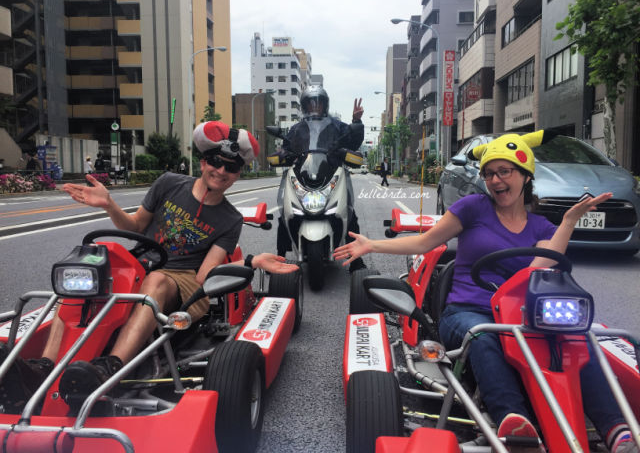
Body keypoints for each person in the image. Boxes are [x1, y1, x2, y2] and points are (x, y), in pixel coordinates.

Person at [335, 131, 636, 453]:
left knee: (573, 338)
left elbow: (542, 267)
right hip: (466, 312)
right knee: (484, 337)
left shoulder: (541, 227)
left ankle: (617, 429)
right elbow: (425, 243)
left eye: (504, 172)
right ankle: (513, 419)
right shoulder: (473, 208)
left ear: (525, 176)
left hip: (521, 316)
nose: (495, 180)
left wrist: (569, 221)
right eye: (490, 173)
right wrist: (372, 244)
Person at [0, 121, 298, 412]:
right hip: (141, 264)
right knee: (84, 275)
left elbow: (206, 273)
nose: (220, 171)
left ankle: (109, 367)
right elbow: (136, 225)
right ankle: (45, 369)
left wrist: (249, 262)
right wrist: (110, 205)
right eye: (214, 162)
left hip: (185, 280)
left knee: (156, 281)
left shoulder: (230, 219)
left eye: (230, 167)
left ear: (238, 173)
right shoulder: (169, 183)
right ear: (203, 160)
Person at [275, 85, 367, 272]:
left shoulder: (336, 125)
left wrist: (356, 122)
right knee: (285, 215)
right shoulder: (296, 129)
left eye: (318, 103)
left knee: (350, 216)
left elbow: (352, 141)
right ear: (304, 106)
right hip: (304, 175)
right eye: (311, 103)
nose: (314, 106)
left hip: (331, 172)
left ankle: (356, 260)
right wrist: (282, 154)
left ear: (325, 105)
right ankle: (279, 257)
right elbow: (287, 147)